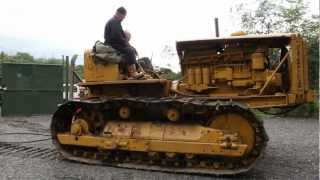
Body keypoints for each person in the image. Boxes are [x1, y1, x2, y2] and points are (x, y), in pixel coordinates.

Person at [104, 7, 143, 79]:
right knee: (130, 51)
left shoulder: (116, 22)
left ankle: (128, 72)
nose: (123, 19)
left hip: (114, 43)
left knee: (130, 49)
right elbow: (117, 37)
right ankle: (133, 73)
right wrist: (128, 45)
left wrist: (128, 45)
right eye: (123, 17)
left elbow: (121, 37)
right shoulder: (114, 22)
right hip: (111, 44)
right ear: (119, 14)